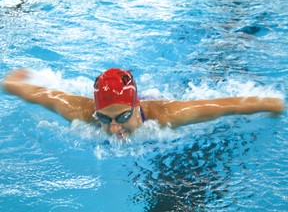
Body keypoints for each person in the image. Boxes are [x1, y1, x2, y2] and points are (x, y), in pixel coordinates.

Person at [2, 68, 284, 139]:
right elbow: (39, 94)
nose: (113, 129)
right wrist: (14, 81)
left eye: (123, 118)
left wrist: (274, 104)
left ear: (137, 108)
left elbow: (228, 105)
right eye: (105, 119)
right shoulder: (82, 112)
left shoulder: (168, 114)